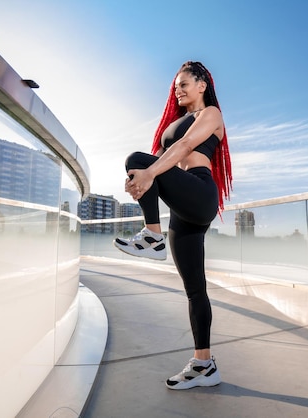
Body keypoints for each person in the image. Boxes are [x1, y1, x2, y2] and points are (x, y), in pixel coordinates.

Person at [113, 61, 232, 390]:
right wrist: (140, 182)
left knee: (137, 160)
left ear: (202, 84)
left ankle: (152, 235)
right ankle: (204, 364)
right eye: (175, 86)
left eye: (184, 84)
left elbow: (181, 148)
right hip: (183, 206)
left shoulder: (210, 115)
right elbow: (162, 161)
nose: (177, 90)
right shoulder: (175, 120)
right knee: (195, 291)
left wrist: (147, 172)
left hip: (200, 190)